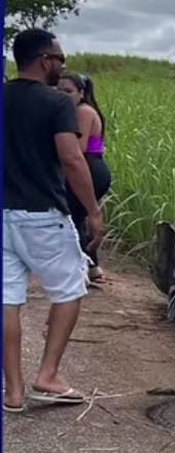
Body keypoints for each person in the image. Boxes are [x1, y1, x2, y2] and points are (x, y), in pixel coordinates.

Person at [3, 28, 105, 413]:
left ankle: (13, 392)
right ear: (45, 60)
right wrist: (93, 210)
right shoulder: (56, 103)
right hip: (42, 215)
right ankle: (47, 375)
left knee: (7, 300)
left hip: (3, 215)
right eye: (59, 60)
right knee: (69, 289)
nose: (61, 66)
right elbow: (71, 158)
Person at [57, 72, 113, 282]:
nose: (62, 95)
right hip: (93, 167)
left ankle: (79, 269)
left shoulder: (82, 112)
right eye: (59, 90)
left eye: (68, 91)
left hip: (87, 169)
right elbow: (95, 145)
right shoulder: (88, 111)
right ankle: (92, 266)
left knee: (72, 217)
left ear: (81, 93)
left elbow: (77, 149)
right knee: (79, 216)